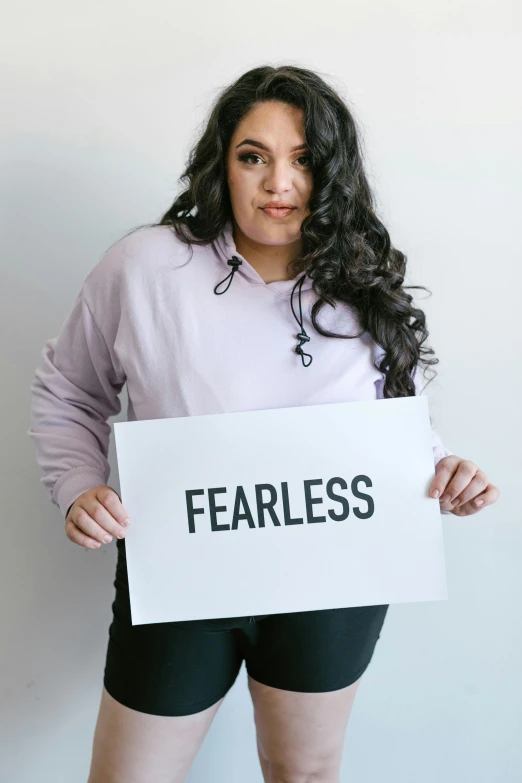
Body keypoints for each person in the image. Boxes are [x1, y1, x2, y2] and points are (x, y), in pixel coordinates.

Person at [27, 64, 499, 783]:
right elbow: (68, 388)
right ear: (223, 165)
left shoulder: (363, 284)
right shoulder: (145, 266)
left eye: (304, 160)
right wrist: (79, 485)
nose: (279, 182)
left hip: (332, 580)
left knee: (303, 772)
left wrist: (447, 470)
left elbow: (393, 431)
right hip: (182, 573)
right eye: (254, 157)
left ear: (332, 172)